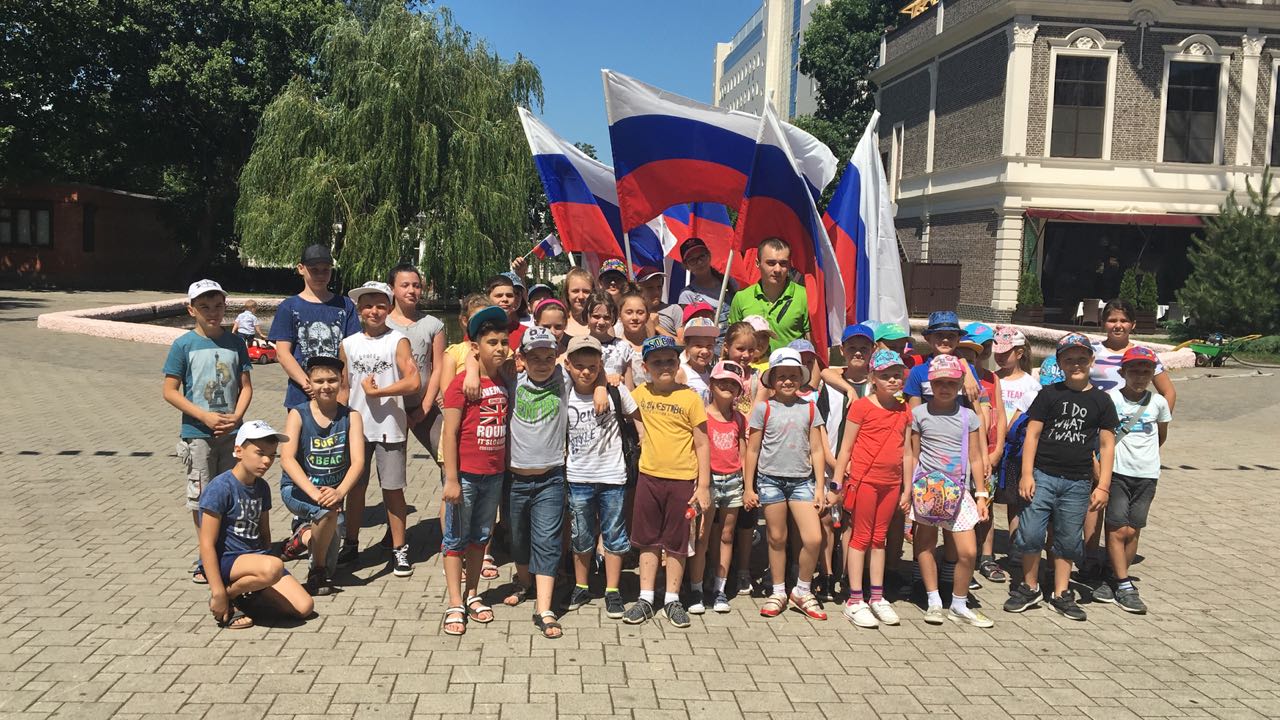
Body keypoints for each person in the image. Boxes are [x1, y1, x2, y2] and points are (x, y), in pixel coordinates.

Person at [1005, 333, 1118, 622]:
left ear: (1091, 360)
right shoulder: (1048, 395)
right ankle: (1030, 587)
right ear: (1060, 363)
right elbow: (1032, 434)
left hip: (1078, 481)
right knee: (1031, 533)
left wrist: (1103, 485)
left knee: (1068, 538)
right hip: (1042, 474)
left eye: (1082, 358)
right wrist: (1026, 474)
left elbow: (1107, 445)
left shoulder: (1102, 401)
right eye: (1069, 359)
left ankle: (1061, 592)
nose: (1076, 364)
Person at [163, 279, 253, 584]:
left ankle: (228, 552)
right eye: (204, 307)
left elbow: (246, 387)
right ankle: (206, 557)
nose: (212, 313)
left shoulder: (236, 343)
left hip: (232, 432)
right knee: (202, 496)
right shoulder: (183, 345)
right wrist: (203, 416)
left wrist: (237, 417)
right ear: (192, 310)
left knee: (231, 491)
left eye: (217, 306)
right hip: (198, 433)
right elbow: (170, 390)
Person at [491, 327, 576, 639]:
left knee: (547, 540)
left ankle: (544, 608)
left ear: (557, 358)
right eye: (534, 357)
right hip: (514, 478)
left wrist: (602, 385)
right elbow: (477, 355)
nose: (542, 363)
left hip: (551, 477)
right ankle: (524, 582)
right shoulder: (511, 379)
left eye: (548, 357)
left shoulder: (563, 379)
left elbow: (593, 369)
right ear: (521, 358)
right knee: (517, 538)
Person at [622, 335, 712, 628]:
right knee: (647, 540)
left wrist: (703, 486)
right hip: (649, 477)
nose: (664, 366)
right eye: (657, 362)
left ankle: (672, 598)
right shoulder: (639, 394)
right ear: (645, 367)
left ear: (678, 364)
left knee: (677, 542)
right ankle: (646, 598)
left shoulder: (690, 397)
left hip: (683, 480)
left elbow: (702, 443)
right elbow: (618, 397)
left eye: (670, 361)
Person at [1084, 298, 1176, 578]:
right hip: (1093, 431)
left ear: (1133, 324)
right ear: (1103, 323)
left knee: (1115, 498)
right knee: (1094, 493)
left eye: (1123, 320)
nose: (1118, 325)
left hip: (1125, 440)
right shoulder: (1092, 351)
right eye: (1112, 320)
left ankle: (1113, 563)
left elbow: (1168, 392)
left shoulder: (1145, 355)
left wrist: (1151, 427)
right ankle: (1090, 556)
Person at [336, 282, 420, 576]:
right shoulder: (348, 344)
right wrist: (336, 421)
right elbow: (343, 387)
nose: (374, 311)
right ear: (359, 310)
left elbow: (413, 381)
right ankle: (351, 543)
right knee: (355, 488)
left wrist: (380, 392)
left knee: (392, 488)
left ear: (389, 308)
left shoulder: (398, 340)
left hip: (389, 426)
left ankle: (399, 548)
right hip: (356, 427)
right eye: (368, 305)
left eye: (381, 305)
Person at [198, 420, 314, 630]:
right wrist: (217, 591)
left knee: (304, 607)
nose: (266, 461)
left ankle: (242, 594)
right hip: (227, 560)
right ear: (238, 451)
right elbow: (206, 544)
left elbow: (264, 532)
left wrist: (266, 571)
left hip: (256, 560)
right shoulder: (220, 487)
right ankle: (225, 596)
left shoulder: (262, 487)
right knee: (273, 567)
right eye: (260, 453)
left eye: (271, 455)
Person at [907, 354, 994, 628]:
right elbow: (912, 455)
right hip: (927, 490)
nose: (945, 388)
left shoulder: (969, 417)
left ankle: (959, 603)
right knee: (925, 545)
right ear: (930, 384)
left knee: (968, 551)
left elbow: (976, 458)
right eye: (939, 382)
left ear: (959, 385)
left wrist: (981, 495)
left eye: (951, 383)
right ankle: (933, 599)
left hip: (959, 490)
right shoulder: (918, 415)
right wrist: (908, 490)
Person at [439, 305, 511, 636]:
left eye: (503, 342)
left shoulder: (504, 379)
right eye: (492, 342)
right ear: (476, 347)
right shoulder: (460, 385)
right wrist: (451, 479)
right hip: (465, 475)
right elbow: (450, 433)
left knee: (481, 537)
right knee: (456, 537)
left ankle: (472, 593)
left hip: (493, 475)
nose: (499, 348)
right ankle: (455, 601)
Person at [745, 348, 828, 621]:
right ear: (772, 379)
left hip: (802, 481)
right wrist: (748, 487)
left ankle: (802, 589)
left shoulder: (810, 408)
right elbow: (752, 450)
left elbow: (817, 449)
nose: (788, 381)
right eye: (781, 376)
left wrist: (819, 487)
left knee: (813, 538)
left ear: (801, 378)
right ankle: (778, 590)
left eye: (793, 375)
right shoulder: (763, 408)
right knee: (776, 538)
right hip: (770, 480)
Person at [831, 349, 912, 629]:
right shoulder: (862, 407)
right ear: (872, 378)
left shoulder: (904, 410)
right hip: (864, 481)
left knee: (880, 539)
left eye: (897, 375)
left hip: (892, 484)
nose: (892, 380)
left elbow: (907, 452)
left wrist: (907, 489)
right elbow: (846, 448)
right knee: (861, 537)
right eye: (885, 375)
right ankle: (854, 599)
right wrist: (837, 483)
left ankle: (877, 595)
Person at [563, 335, 638, 620]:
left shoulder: (616, 391)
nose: (586, 371)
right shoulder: (564, 392)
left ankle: (612, 589)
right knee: (581, 536)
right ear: (569, 365)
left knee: (614, 535)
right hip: (578, 476)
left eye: (592, 366)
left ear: (601, 365)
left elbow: (637, 417)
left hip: (613, 476)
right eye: (579, 366)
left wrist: (605, 384)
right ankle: (581, 586)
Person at [278, 355, 365, 596]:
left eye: (332, 380)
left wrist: (340, 492)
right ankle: (316, 572)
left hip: (332, 494)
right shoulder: (298, 414)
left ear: (341, 381)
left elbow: (358, 461)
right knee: (326, 517)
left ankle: (302, 537)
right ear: (309, 383)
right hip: (299, 490)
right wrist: (315, 494)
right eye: (319, 381)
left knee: (331, 561)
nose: (326, 386)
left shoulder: (352, 417)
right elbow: (287, 459)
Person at [1093, 346, 1171, 614]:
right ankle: (1125, 585)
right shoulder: (1111, 399)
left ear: (1152, 374)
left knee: (1133, 529)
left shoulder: (1158, 403)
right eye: (1134, 371)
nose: (1140, 376)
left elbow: (1161, 435)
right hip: (1118, 472)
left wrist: (1147, 458)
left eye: (1146, 372)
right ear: (1122, 372)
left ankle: (1115, 578)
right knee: (1117, 528)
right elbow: (1100, 437)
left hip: (1147, 474)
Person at [268, 244, 361, 408]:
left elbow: (351, 351)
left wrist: (343, 388)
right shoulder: (289, 307)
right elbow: (283, 353)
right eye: (314, 270)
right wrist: (308, 384)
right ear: (301, 269)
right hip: (301, 396)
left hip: (336, 393)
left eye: (325, 270)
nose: (320, 275)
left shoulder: (345, 305)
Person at [956, 323, 1008, 585]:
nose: (984, 351)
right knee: (961, 507)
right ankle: (962, 558)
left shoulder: (991, 378)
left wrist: (998, 449)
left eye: (986, 346)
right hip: (961, 454)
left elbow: (1000, 413)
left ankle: (986, 556)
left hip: (986, 452)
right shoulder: (952, 376)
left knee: (985, 504)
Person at [385, 264, 446, 462]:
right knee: (392, 467)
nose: (411, 290)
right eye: (405, 285)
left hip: (423, 404)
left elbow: (438, 367)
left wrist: (425, 407)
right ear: (392, 288)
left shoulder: (433, 325)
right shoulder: (383, 324)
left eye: (416, 285)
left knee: (446, 454)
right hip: (390, 408)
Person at [721, 321, 765, 594]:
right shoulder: (719, 372)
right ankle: (717, 569)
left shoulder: (758, 377)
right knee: (721, 515)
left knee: (747, 514)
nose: (746, 355)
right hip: (722, 448)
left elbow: (756, 413)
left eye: (751, 350)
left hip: (749, 450)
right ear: (727, 347)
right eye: (740, 349)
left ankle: (743, 569)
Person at [702, 360, 749, 613]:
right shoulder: (702, 415)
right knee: (705, 533)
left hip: (733, 480)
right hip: (709, 479)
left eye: (733, 383)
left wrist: (746, 482)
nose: (728, 386)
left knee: (727, 534)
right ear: (712, 384)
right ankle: (705, 576)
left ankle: (720, 587)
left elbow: (742, 449)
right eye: (723, 382)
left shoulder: (739, 418)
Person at [728, 237, 809, 352]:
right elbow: (732, 342)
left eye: (783, 263)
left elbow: (814, 344)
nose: (777, 269)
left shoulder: (804, 296)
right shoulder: (741, 298)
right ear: (758, 263)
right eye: (771, 263)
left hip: (791, 363)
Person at [677, 237, 736, 332]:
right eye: (692, 260)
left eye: (702, 256)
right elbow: (689, 329)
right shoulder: (687, 295)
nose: (699, 262)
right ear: (686, 265)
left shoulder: (728, 282)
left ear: (709, 255)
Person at [584, 291, 633, 386]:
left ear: (613, 318)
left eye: (606, 317)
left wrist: (621, 378)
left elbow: (629, 386)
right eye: (596, 316)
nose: (601, 322)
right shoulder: (580, 346)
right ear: (587, 316)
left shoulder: (623, 347)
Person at [676, 317, 717, 403]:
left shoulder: (712, 372)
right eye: (698, 345)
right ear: (687, 345)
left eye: (709, 346)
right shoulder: (681, 372)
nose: (705, 351)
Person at [636, 265, 682, 338]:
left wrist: (657, 327)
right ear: (639, 290)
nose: (656, 292)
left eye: (659, 287)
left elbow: (682, 343)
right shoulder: (634, 315)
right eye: (650, 288)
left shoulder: (674, 309)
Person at [618, 291, 651, 389]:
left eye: (640, 313)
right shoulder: (616, 347)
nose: (635, 317)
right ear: (619, 315)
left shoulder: (655, 346)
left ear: (647, 316)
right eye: (629, 313)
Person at [485, 274, 527, 349]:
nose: (505, 299)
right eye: (499, 295)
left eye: (509, 295)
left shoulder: (526, 333)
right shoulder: (476, 331)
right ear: (487, 298)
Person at [561, 267, 596, 338]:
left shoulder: (601, 324)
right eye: (575, 291)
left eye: (586, 291)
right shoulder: (558, 324)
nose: (581, 297)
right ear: (567, 293)